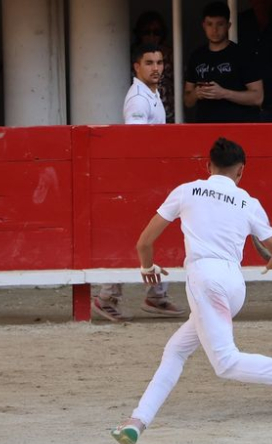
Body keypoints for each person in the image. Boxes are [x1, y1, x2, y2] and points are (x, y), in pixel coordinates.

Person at [110, 137, 272, 444]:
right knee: (176, 350)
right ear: (241, 171)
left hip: (206, 280)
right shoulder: (248, 202)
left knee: (225, 362)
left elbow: (144, 243)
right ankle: (137, 422)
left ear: (207, 165)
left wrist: (148, 268)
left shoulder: (186, 191)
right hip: (233, 285)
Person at [92, 44, 186, 322]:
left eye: (159, 62)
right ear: (136, 66)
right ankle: (107, 296)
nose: (156, 68)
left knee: (152, 234)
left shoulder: (151, 95)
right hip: (142, 180)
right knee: (138, 236)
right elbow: (137, 145)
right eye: (149, 63)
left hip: (149, 179)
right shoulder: (138, 100)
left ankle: (155, 294)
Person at [184, 2, 264, 123]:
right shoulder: (197, 56)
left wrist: (224, 93)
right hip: (205, 128)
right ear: (204, 25)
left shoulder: (243, 55)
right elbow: (187, 100)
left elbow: (258, 97)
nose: (214, 30)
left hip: (238, 127)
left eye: (220, 24)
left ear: (228, 26)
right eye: (210, 24)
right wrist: (196, 93)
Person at [132, 11, 175, 123]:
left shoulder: (171, 55)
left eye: (156, 32)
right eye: (147, 32)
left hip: (169, 113)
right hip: (143, 109)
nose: (152, 36)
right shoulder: (133, 56)